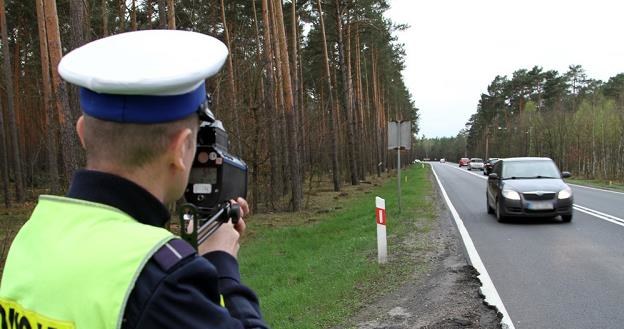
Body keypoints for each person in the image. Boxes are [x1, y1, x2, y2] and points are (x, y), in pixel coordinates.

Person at [0, 30, 269, 329]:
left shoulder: (32, 236)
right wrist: (221, 264)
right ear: (180, 149)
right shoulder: (161, 279)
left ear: (81, 133)